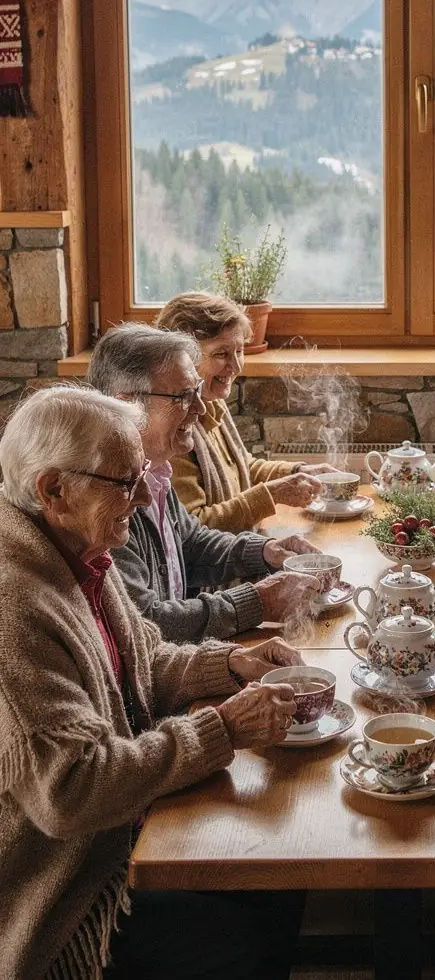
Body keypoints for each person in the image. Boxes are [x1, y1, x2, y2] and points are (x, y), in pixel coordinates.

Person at [0, 385, 307, 980]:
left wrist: (229, 665)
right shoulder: (15, 608)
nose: (143, 497)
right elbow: (72, 791)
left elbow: (143, 659)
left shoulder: (79, 551)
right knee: (232, 937)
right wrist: (221, 727)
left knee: (280, 873)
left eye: (141, 474)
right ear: (53, 489)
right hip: (69, 887)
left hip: (125, 827)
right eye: (124, 481)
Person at [88, 323, 322, 643]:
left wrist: (266, 550)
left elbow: (192, 544)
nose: (199, 408)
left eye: (197, 391)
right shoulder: (105, 495)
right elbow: (145, 621)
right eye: (184, 396)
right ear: (127, 403)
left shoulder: (153, 470)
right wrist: (255, 604)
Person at [156, 291, 334, 532]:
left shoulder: (210, 402)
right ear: (182, 359)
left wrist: (296, 472)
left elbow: (239, 468)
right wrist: (272, 494)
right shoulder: (172, 431)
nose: (236, 366)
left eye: (239, 351)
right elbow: (194, 528)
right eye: (221, 354)